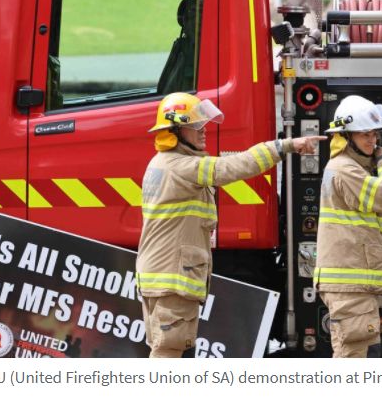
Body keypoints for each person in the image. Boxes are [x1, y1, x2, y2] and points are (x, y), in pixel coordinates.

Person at [136, 92, 325, 358]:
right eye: (196, 125)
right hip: (171, 279)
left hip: (162, 277)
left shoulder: (162, 163)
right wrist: (285, 146)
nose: (204, 130)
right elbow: (235, 166)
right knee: (169, 351)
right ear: (175, 131)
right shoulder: (181, 166)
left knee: (171, 349)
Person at [315, 95, 382, 358]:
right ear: (345, 136)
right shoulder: (344, 169)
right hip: (349, 284)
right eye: (365, 134)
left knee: (366, 352)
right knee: (354, 356)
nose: (372, 140)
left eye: (374, 134)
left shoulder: (354, 167)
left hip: (355, 284)